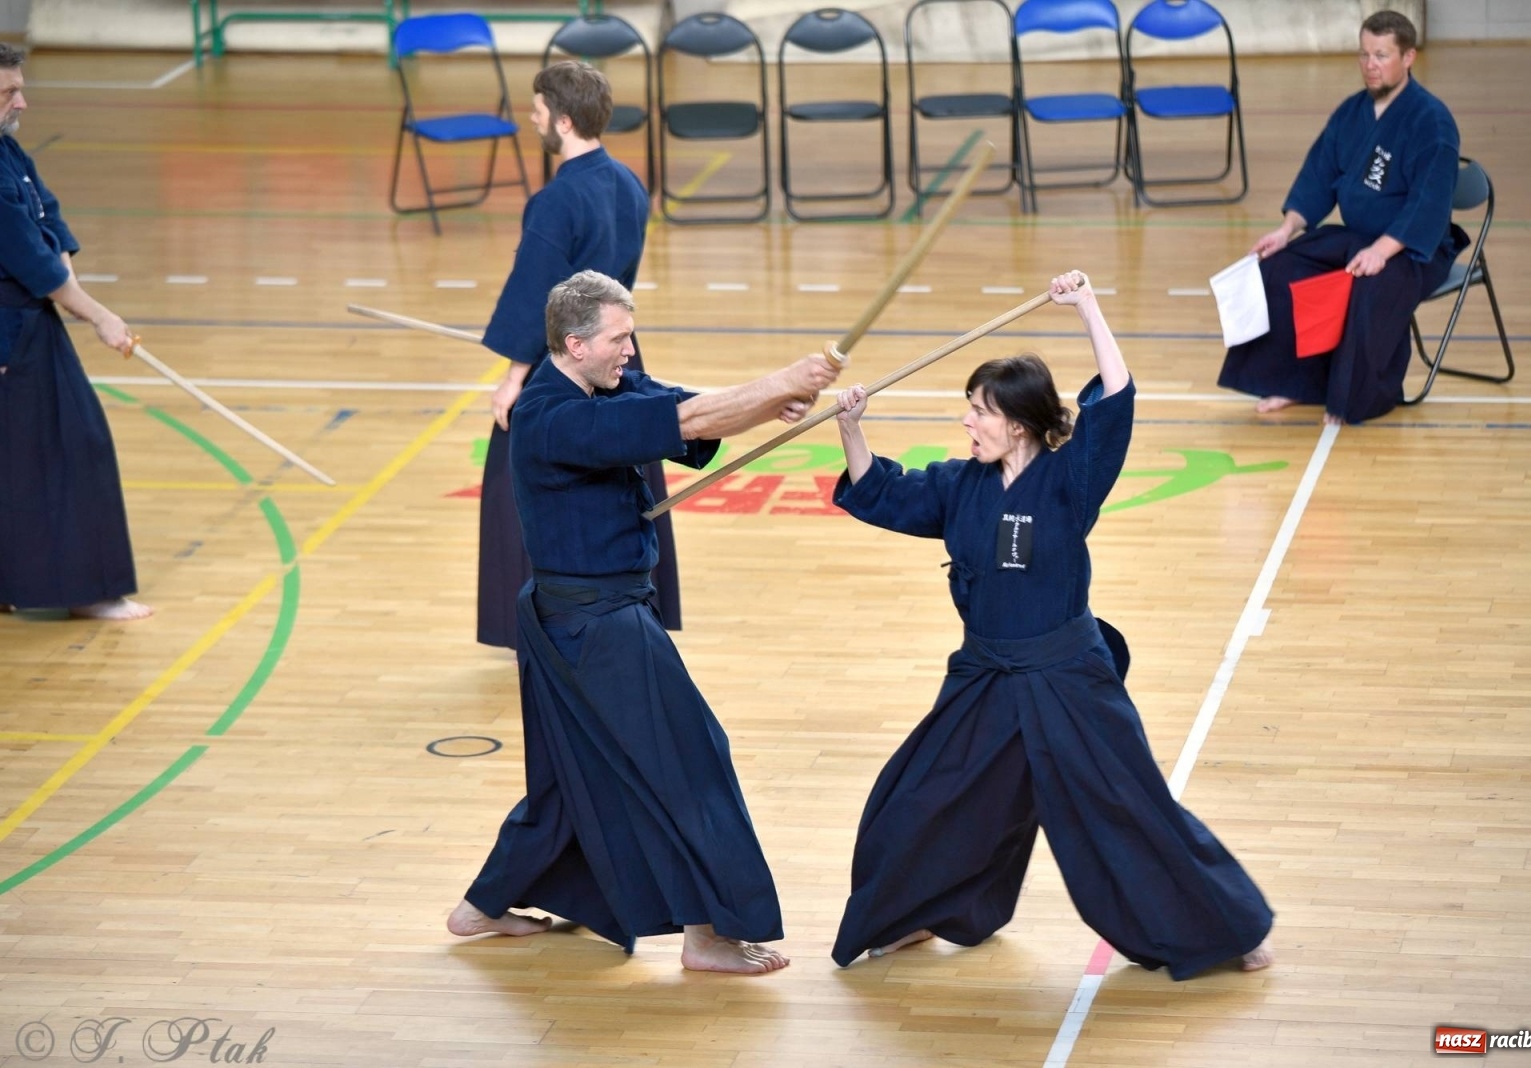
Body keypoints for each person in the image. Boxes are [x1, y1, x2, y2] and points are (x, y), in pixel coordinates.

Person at [828, 270, 1274, 978]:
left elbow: (1118, 397)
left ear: (1018, 422)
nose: (967, 423)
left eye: (979, 411)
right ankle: (911, 912)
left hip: (1069, 678)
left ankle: (1223, 928)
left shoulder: (1072, 479)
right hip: (985, 677)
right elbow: (884, 490)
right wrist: (851, 427)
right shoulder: (958, 484)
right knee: (919, 795)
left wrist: (1088, 306)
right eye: (967, 409)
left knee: (1127, 809)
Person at [447, 270, 840, 974]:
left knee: (572, 779)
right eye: (620, 337)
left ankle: (483, 906)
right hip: (594, 623)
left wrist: (767, 400)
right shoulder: (551, 415)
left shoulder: (603, 385)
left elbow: (684, 406)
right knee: (692, 761)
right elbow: (685, 423)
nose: (631, 349)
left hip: (573, 618)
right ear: (574, 343)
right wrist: (784, 378)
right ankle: (709, 933)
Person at [475, 59, 684, 649]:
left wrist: (515, 377)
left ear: (563, 120)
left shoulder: (557, 201)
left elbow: (535, 294)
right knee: (625, 481)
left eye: (539, 109)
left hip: (563, 368)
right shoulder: (629, 184)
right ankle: (634, 603)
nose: (532, 117)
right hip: (617, 357)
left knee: (525, 486)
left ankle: (538, 620)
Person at [1217, 10, 1468, 425]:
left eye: (1382, 55)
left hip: (1414, 248)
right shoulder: (1352, 113)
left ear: (1408, 58)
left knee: (1371, 285)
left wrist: (1383, 251)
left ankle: (1355, 399)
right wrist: (1286, 229)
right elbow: (1319, 175)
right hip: (1358, 235)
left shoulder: (1432, 121)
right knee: (1277, 269)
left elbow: (1430, 202)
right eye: (1364, 54)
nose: (1371, 65)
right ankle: (1295, 383)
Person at [0, 44, 150, 622]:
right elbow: (28, 261)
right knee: (70, 448)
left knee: (43, 452)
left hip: (32, 322)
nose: (22, 102)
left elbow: (51, 226)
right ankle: (85, 589)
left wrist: (79, 297)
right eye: (8, 92)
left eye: (20, 87)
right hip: (8, 334)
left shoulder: (8, 151)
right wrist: (101, 316)